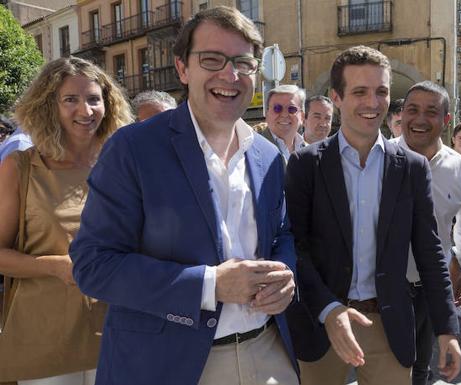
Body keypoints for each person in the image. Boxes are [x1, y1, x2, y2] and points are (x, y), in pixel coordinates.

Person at [69, 6, 298, 385]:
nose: (231, 74)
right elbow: (93, 265)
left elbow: (282, 234)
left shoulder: (267, 154)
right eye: (212, 59)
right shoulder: (133, 148)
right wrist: (209, 285)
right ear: (182, 69)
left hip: (268, 355)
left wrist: (286, 273)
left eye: (243, 61)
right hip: (167, 365)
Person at [285, 45, 461, 385]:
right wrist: (327, 309)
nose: (373, 102)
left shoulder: (411, 168)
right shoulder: (306, 164)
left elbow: (430, 251)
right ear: (336, 97)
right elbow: (295, 247)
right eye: (360, 92)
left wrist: (446, 327)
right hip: (321, 325)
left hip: (388, 326)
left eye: (381, 91)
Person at [0, 56, 132, 384]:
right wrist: (57, 267)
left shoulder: (124, 166)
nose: (85, 111)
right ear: (49, 106)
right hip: (44, 342)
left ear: (108, 104)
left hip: (118, 332)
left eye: (93, 99)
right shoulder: (20, 168)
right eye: (70, 100)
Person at [396, 80, 461, 385]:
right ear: (401, 115)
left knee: (419, 368)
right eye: (412, 110)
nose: (419, 119)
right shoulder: (377, 159)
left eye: (431, 112)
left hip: (430, 290)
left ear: (446, 121)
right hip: (381, 292)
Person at [259, 84, 306, 162]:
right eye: (277, 108)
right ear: (267, 114)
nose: (284, 114)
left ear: (302, 116)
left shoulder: (309, 151)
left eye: (292, 109)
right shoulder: (252, 149)